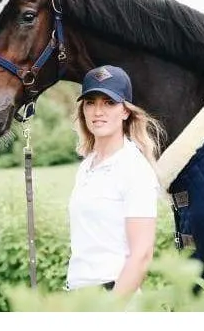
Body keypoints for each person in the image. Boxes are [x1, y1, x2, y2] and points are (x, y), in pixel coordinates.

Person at [65, 64, 166, 301]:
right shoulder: (87, 166)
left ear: (125, 111)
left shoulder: (134, 168)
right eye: (91, 102)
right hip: (79, 296)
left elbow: (142, 255)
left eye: (109, 102)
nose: (98, 111)